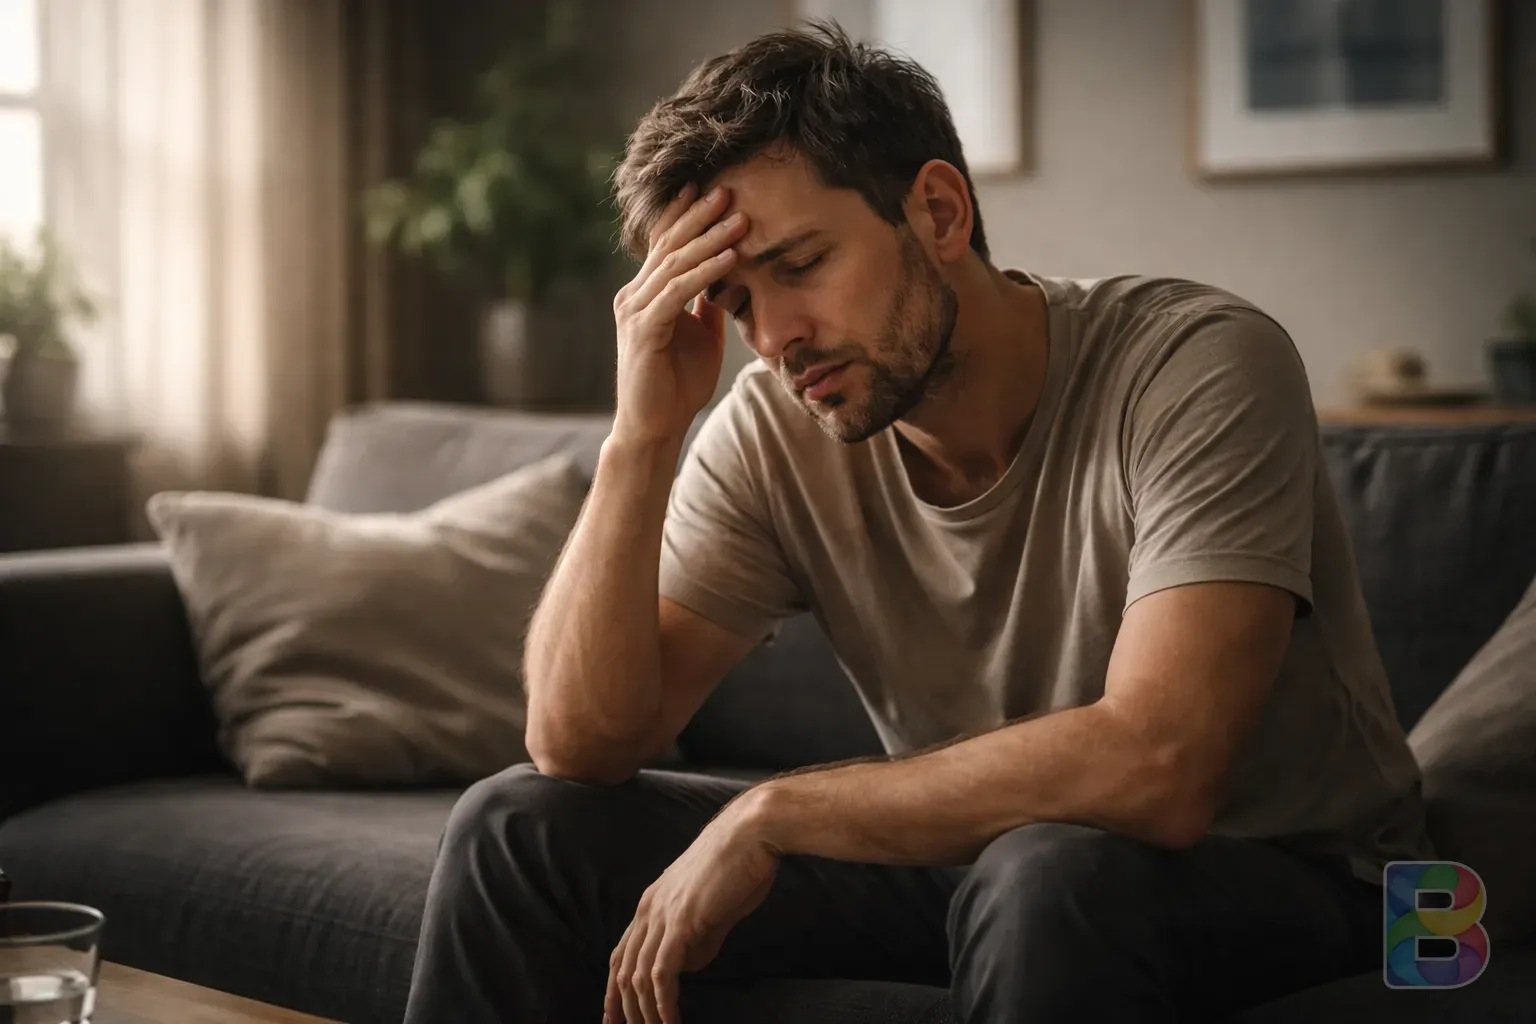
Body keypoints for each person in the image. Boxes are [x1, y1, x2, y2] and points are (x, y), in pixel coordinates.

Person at [402, 22, 1432, 1024]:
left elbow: (1161, 764)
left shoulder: (1195, 364)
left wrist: (775, 811)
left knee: (1047, 873)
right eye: (733, 299)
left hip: (1335, 892)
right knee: (517, 826)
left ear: (938, 212)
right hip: (985, 870)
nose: (772, 339)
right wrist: (641, 438)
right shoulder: (770, 423)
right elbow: (581, 745)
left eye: (800, 266)